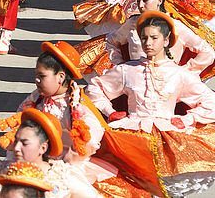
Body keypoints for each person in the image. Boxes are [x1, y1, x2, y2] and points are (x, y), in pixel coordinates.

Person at [87, 10, 215, 196]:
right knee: (135, 186)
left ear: (166, 40)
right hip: (131, 136)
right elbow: (95, 88)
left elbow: (210, 101)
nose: (148, 43)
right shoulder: (127, 70)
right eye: (144, 38)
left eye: (154, 38)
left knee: (168, 187)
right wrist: (110, 111)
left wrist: (188, 119)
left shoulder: (179, 74)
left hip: (168, 135)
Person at [0, 109, 98, 198]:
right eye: (17, 141)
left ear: (43, 148)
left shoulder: (62, 176)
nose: (16, 148)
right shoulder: (1, 170)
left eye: (24, 143)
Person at [105, 0, 215, 75]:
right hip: (135, 85)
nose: (141, 5)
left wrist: (185, 71)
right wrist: (120, 65)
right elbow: (111, 41)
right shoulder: (133, 23)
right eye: (138, 0)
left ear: (159, 0)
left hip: (168, 87)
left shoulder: (175, 26)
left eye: (145, 0)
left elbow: (207, 52)